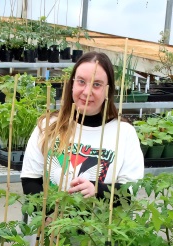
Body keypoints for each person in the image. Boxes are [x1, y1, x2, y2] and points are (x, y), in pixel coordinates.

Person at [20, 51, 144, 200]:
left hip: (102, 222)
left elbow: (130, 190)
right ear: (72, 84)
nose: (87, 91)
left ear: (108, 90)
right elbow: (30, 180)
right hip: (51, 222)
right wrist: (48, 214)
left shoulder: (123, 133)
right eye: (81, 81)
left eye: (96, 84)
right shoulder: (48, 126)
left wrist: (97, 190)